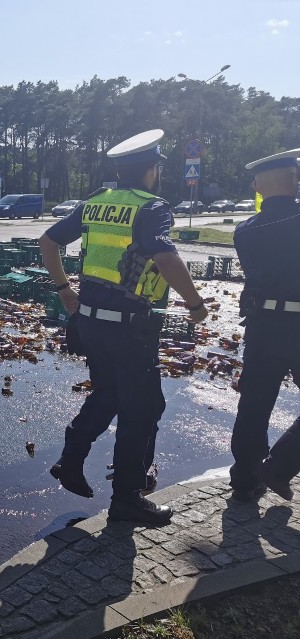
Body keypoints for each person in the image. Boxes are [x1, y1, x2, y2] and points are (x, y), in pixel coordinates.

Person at [38, 129, 209, 525]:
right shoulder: (152, 208)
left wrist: (66, 292)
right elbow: (166, 259)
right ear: (152, 170)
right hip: (129, 329)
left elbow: (47, 243)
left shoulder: (95, 203)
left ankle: (70, 459)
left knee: (108, 395)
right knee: (143, 409)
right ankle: (127, 499)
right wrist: (196, 305)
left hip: (92, 323)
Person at [229, 149, 300, 502]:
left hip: (263, 324)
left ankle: (244, 477)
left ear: (259, 185)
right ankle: (281, 465)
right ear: (295, 179)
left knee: (254, 403)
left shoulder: (245, 231)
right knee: (254, 402)